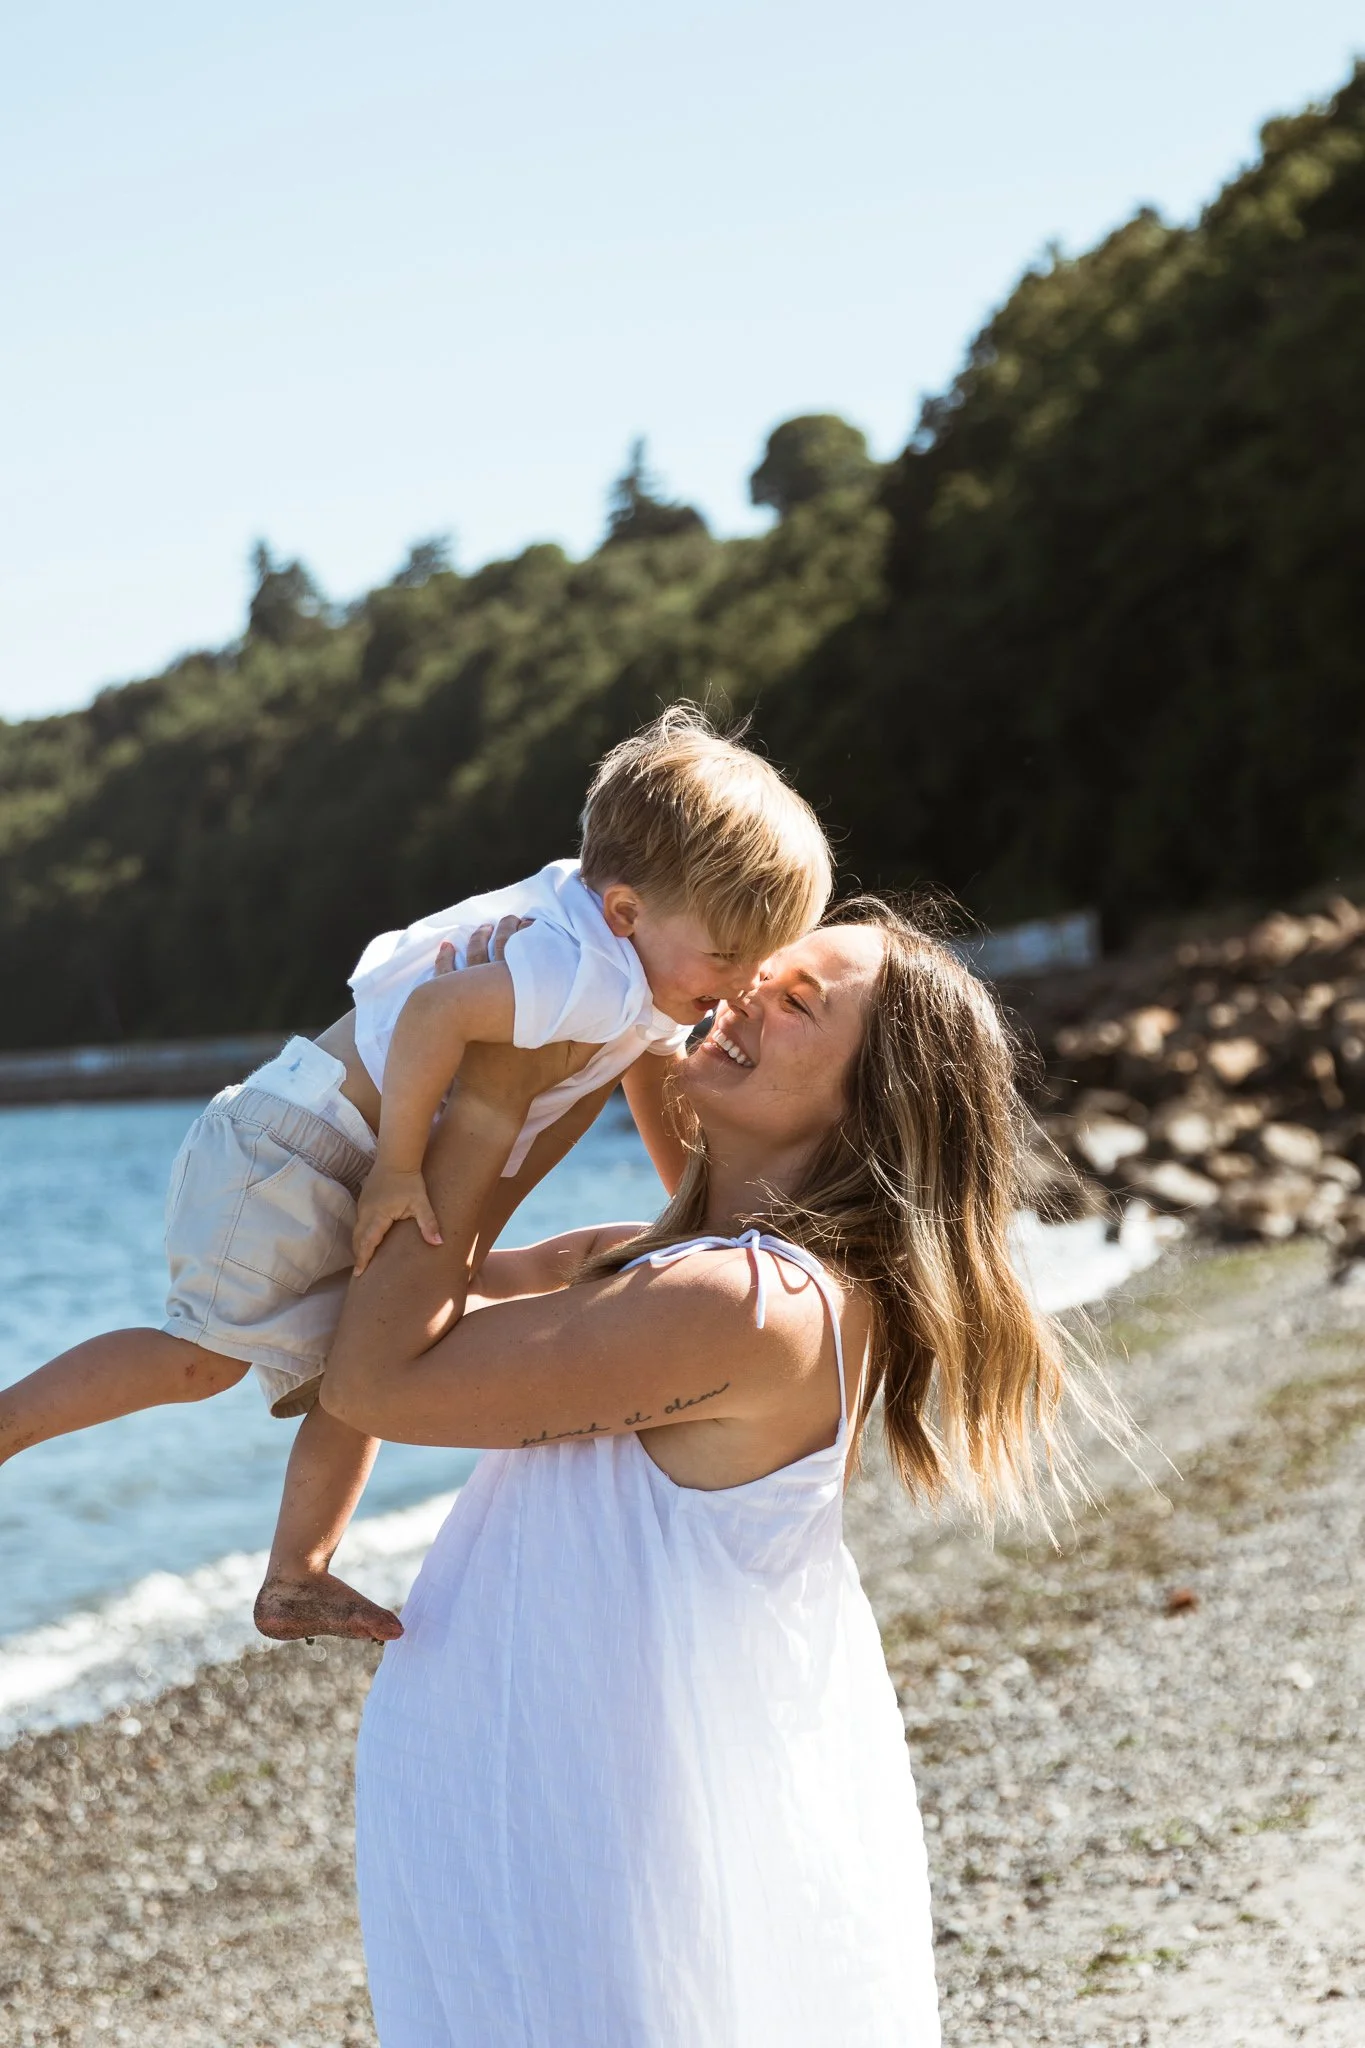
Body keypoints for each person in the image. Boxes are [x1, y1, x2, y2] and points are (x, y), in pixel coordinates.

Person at [322, 901, 1076, 2046]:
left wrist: (489, 1097)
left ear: (872, 1100)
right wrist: (616, 1000)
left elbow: (373, 1380)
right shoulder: (729, 1270)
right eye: (755, 973)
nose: (744, 997)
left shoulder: (751, 1305)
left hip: (591, 1869)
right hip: (557, 1842)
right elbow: (677, 1094)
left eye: (796, 1001)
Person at [0, 709, 832, 1644]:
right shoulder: (581, 968)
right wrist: (398, 1171)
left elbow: (650, 1076)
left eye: (758, 960)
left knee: (362, 1368)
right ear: (627, 913)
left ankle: (296, 1574)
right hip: (297, 1151)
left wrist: (701, 1210)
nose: (739, 981)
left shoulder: (644, 974)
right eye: (727, 956)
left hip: (338, 1161)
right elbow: (437, 1012)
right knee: (201, 1360)